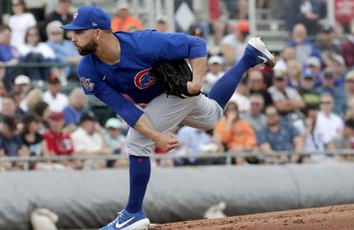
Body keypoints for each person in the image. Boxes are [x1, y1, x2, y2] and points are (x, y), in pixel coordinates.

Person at [61, 4, 275, 229]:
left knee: (136, 141)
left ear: (97, 32)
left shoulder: (142, 43)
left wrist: (197, 82)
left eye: (79, 31)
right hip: (161, 100)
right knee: (212, 117)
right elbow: (124, 109)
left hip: (178, 90)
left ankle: (133, 213)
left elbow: (197, 44)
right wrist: (156, 135)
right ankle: (249, 57)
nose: (72, 37)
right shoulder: (87, 68)